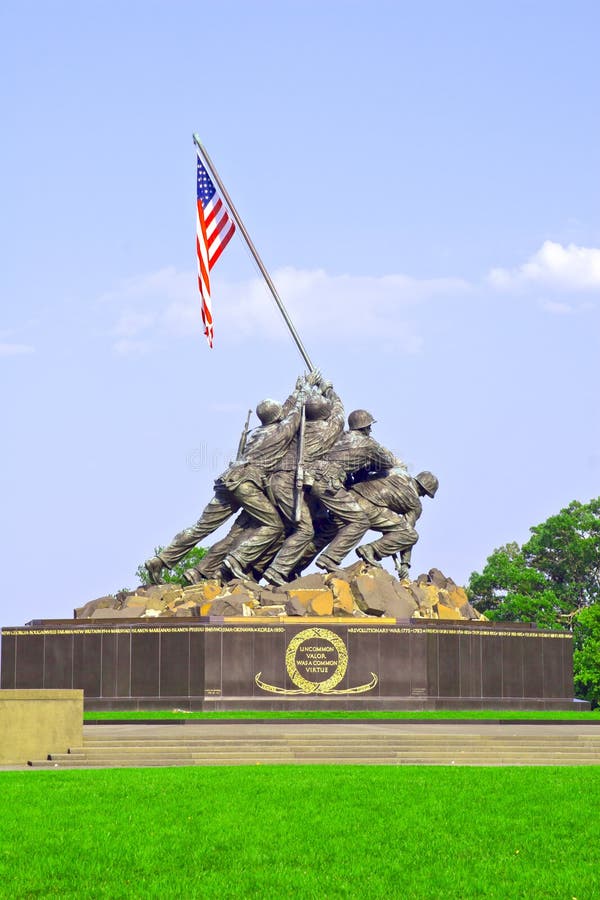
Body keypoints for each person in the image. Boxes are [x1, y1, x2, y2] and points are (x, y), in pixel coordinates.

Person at [144, 376, 312, 584]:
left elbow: (284, 414)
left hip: (228, 479)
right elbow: (294, 416)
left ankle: (162, 559)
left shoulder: (256, 433)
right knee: (274, 526)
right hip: (246, 484)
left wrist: (295, 392)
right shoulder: (280, 432)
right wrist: (304, 391)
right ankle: (237, 560)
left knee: (200, 528)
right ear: (277, 417)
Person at [352, 469, 439, 578]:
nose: (423, 496)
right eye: (425, 493)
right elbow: (406, 533)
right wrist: (405, 564)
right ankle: (371, 549)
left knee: (327, 531)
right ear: (423, 489)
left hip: (350, 495)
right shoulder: (415, 504)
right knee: (411, 535)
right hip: (369, 508)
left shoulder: (397, 473)